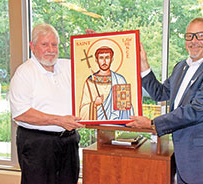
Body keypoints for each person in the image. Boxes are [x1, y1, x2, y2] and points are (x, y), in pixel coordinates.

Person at [127, 17, 203, 183]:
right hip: (185, 161)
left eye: (200, 35)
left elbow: (196, 111)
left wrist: (152, 124)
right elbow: (160, 93)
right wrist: (143, 64)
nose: (194, 41)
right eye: (189, 36)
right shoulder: (181, 66)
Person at [9, 23, 84, 184]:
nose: (50, 49)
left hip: (69, 141)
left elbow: (93, 69)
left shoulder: (68, 66)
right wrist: (59, 120)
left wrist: (92, 41)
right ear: (32, 46)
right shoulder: (24, 73)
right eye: (44, 44)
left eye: (54, 44)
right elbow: (21, 113)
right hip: (38, 145)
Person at [79, 46, 134, 120]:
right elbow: (82, 110)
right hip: (97, 121)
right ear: (96, 60)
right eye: (101, 58)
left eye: (107, 57)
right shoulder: (90, 82)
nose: (104, 62)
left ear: (112, 59)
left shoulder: (119, 79)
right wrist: (95, 104)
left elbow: (126, 109)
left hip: (116, 122)